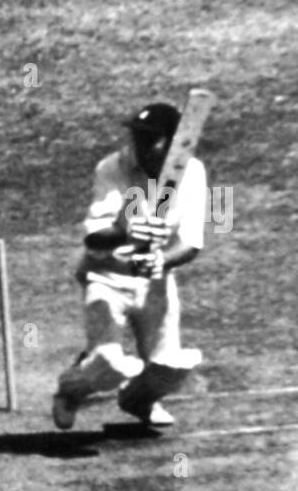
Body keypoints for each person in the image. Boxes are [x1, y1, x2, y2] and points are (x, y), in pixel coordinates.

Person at [50, 102, 205, 430]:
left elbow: (192, 243)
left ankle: (139, 401)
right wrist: (123, 231)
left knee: (169, 367)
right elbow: (94, 240)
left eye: (153, 138)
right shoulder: (112, 167)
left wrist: (161, 260)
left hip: (156, 280)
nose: (142, 145)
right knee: (107, 365)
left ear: (175, 141)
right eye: (139, 137)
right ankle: (70, 392)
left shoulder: (192, 172)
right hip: (106, 276)